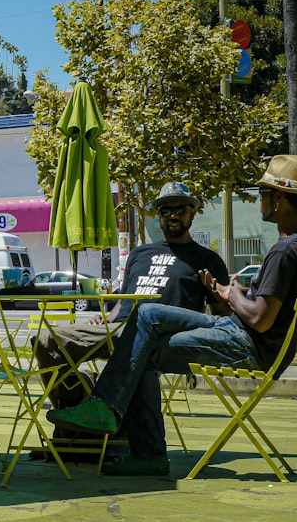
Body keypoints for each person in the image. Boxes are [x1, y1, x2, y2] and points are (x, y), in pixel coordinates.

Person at [46, 155, 297, 476]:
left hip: (247, 346)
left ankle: (111, 413)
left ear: (281, 199)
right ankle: (126, 431)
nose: (260, 199)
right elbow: (270, 306)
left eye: (263, 193)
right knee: (146, 326)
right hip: (243, 336)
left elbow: (261, 319)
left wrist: (231, 294)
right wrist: (229, 292)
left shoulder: (286, 250)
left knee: (145, 335)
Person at [33, 182, 229, 458]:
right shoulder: (139, 254)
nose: (172, 215)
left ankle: (93, 430)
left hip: (158, 337)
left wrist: (219, 299)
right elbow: (123, 301)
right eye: (165, 210)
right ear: (157, 214)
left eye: (180, 209)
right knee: (46, 340)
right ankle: (84, 420)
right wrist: (104, 319)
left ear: (193, 212)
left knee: (135, 355)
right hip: (117, 328)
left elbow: (220, 315)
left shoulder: (207, 259)